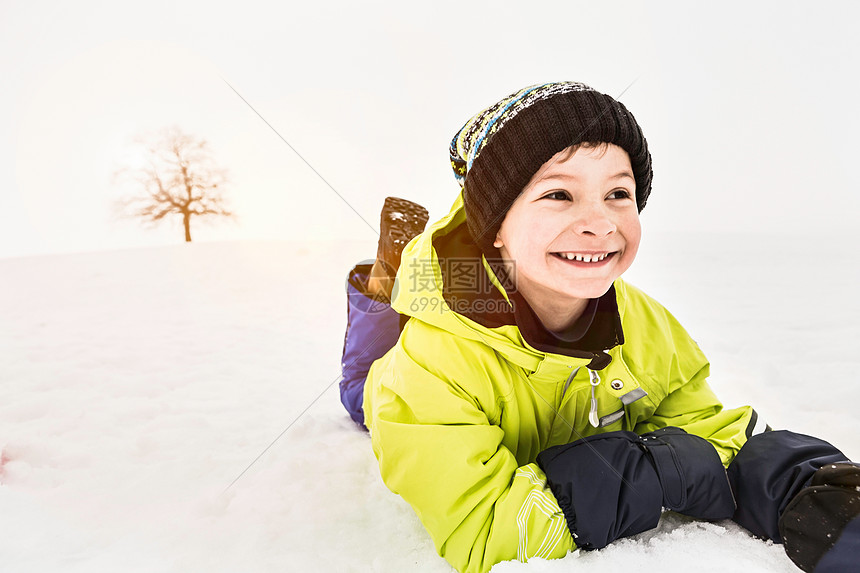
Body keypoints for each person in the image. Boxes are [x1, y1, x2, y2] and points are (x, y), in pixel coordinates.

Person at [338, 82, 860, 573]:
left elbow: (710, 436)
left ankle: (403, 272)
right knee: (364, 388)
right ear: (494, 225)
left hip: (483, 287)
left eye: (618, 194)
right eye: (558, 195)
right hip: (404, 381)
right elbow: (487, 534)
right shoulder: (428, 369)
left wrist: (811, 490)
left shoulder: (644, 325)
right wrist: (643, 468)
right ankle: (387, 282)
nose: (600, 221)